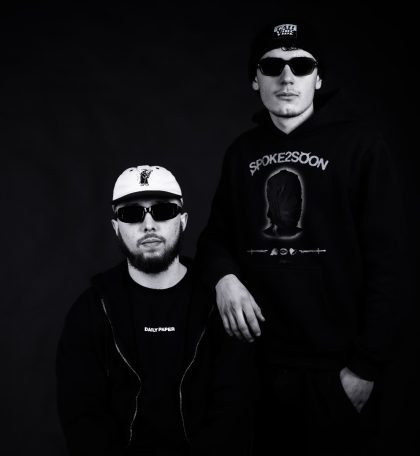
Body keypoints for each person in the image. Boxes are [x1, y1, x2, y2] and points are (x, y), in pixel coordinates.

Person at [196, 18, 406, 455]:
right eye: (272, 66)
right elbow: (214, 238)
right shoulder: (241, 153)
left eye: (302, 65)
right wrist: (223, 279)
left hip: (337, 373)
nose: (287, 77)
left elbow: (390, 263)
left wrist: (365, 368)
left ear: (318, 77)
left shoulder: (361, 147)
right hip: (258, 373)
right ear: (255, 80)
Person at [56, 165, 255, 456]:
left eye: (163, 211)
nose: (148, 225)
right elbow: (83, 417)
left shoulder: (219, 303)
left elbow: (235, 411)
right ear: (116, 227)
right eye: (131, 214)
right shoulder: (92, 310)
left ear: (183, 221)